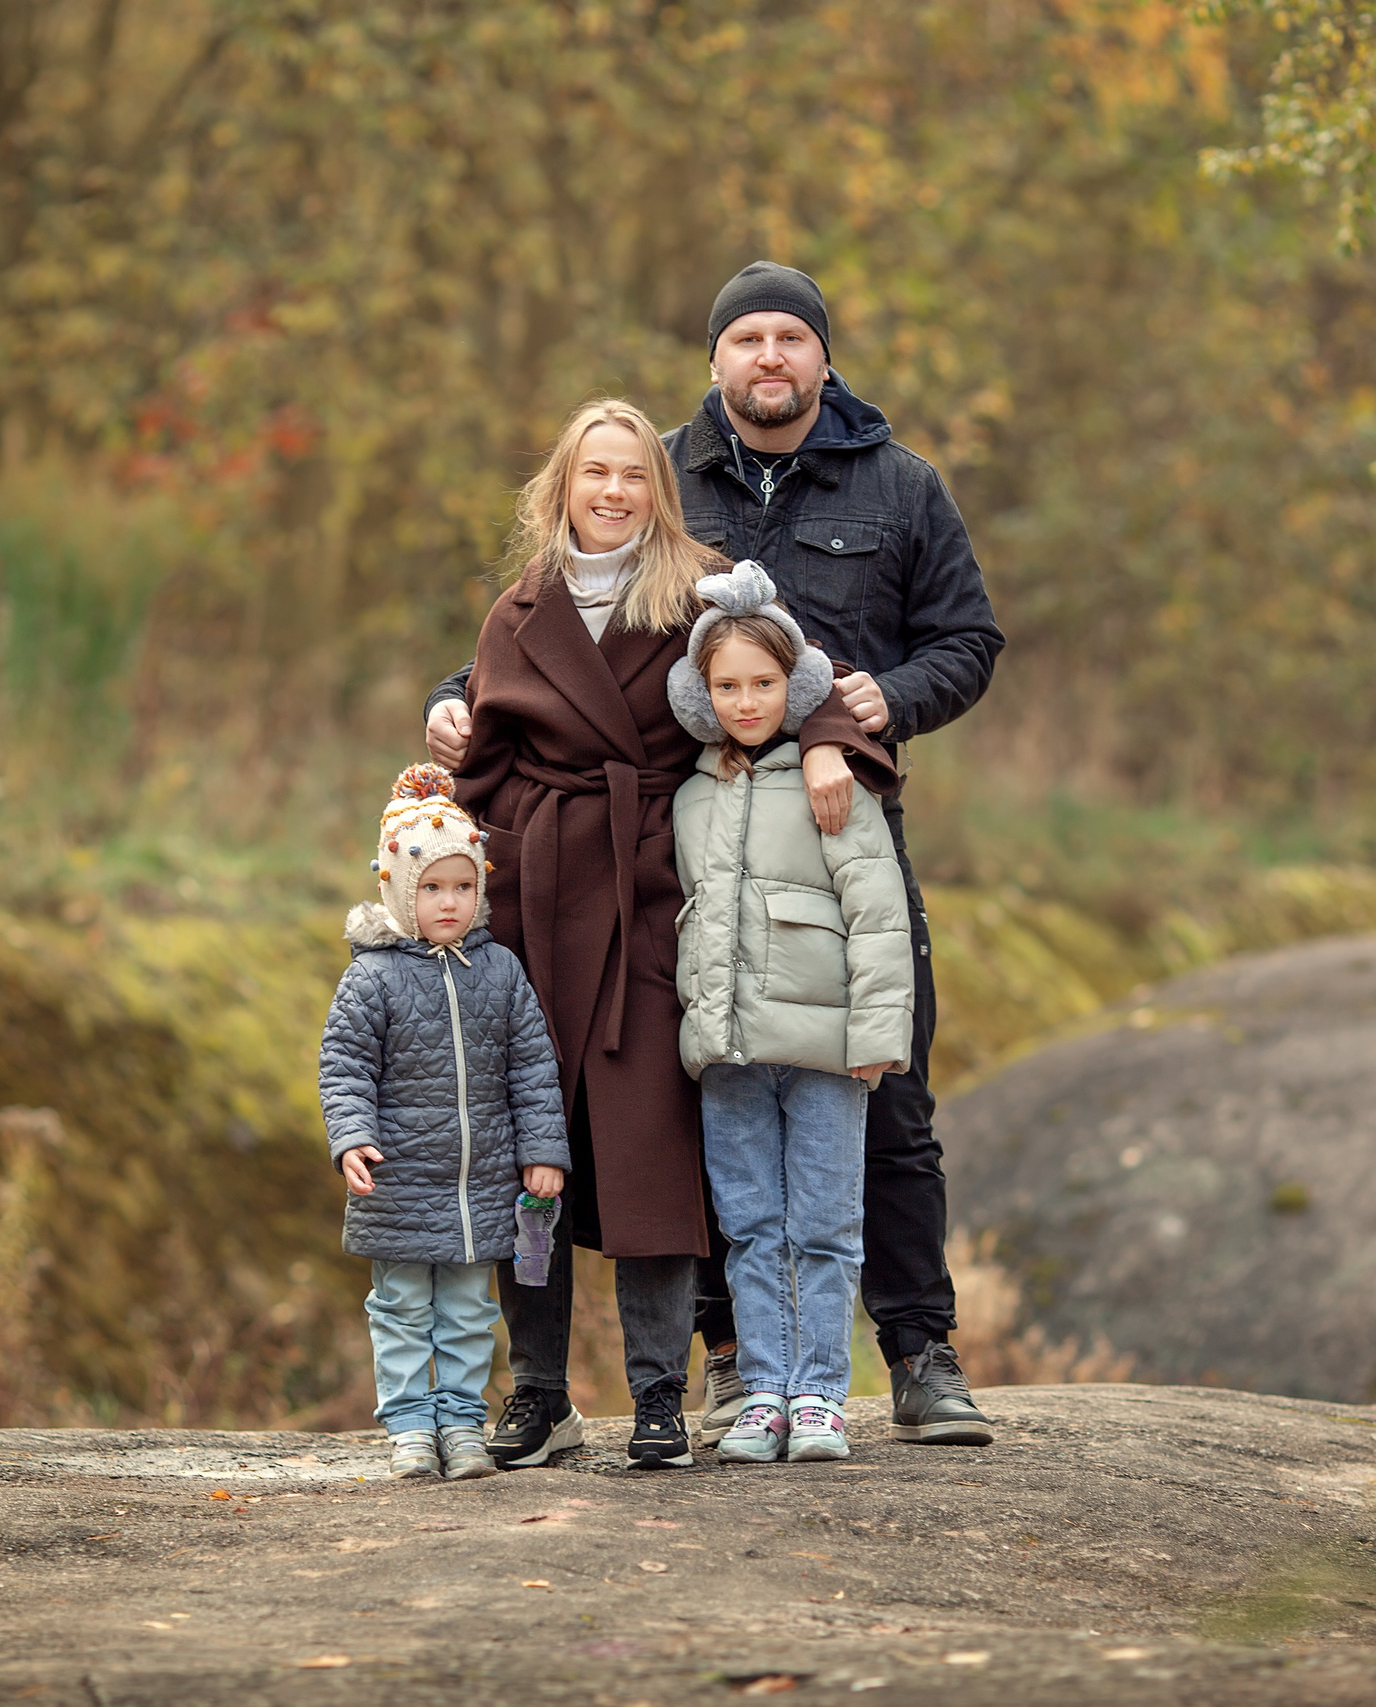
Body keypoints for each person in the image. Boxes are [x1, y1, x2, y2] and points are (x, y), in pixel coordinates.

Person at [427, 264, 1005, 1447]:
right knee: (701, 1103)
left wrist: (870, 713)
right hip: (691, 844)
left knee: (881, 1092)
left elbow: (967, 640)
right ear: (713, 359)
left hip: (838, 826)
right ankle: (730, 1360)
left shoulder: (900, 488)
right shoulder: (661, 476)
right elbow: (534, 645)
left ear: (824, 358)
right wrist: (450, 706)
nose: (770, 358)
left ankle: (917, 1349)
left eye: (792, 337)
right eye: (747, 337)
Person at [444, 399, 891, 1470]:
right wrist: (448, 765)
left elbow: (783, 675)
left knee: (649, 1150)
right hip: (537, 902)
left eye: (633, 475)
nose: (612, 493)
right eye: (592, 473)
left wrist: (828, 739)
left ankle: (655, 1391)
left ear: (659, 488)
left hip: (652, 893)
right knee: (527, 1153)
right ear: (560, 487)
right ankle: (541, 1394)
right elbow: (486, 737)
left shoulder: (703, 587)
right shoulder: (516, 609)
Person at [667, 563, 911, 1463]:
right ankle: (762, 1387)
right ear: (701, 693)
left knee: (823, 1220)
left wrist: (879, 1038)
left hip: (824, 1049)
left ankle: (820, 1394)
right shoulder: (690, 795)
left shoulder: (831, 784)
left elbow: (879, 915)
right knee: (749, 1223)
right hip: (730, 1052)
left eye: (764, 683)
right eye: (726, 686)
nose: (746, 701)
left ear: (795, 683)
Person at [316, 764, 569, 1482]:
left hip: (479, 1184)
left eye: (463, 886)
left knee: (466, 1310)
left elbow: (532, 1066)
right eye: (431, 888)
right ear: (399, 889)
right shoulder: (373, 977)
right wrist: (351, 1135)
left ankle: (461, 1421)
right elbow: (344, 1066)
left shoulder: (501, 970)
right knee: (399, 1306)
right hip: (400, 1181)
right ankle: (407, 1426)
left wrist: (542, 1150)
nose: (449, 902)